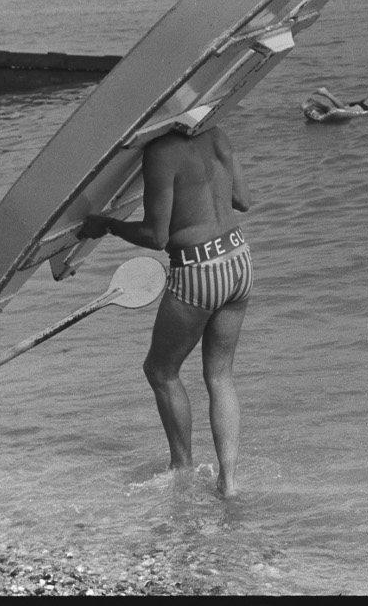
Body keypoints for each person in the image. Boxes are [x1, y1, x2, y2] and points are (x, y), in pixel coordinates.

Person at [78, 125, 252, 499]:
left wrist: (109, 225)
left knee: (160, 371)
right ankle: (230, 482)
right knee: (220, 375)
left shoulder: (161, 152)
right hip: (240, 260)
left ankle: (181, 468)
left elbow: (156, 237)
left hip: (200, 268)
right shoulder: (218, 134)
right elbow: (243, 200)